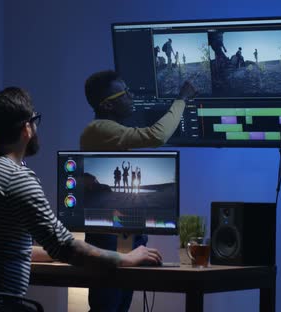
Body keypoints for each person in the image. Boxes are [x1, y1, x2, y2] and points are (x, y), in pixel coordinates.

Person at [0, 87, 162, 310]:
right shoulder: (16, 177)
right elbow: (67, 247)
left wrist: (55, 250)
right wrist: (128, 259)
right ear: (27, 128)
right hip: (1, 306)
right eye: (36, 120)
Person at [80, 70, 196, 312]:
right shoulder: (99, 129)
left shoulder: (111, 130)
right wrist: (181, 99)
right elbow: (157, 136)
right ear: (108, 104)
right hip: (108, 235)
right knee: (107, 307)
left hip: (125, 232)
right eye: (125, 93)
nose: (132, 96)